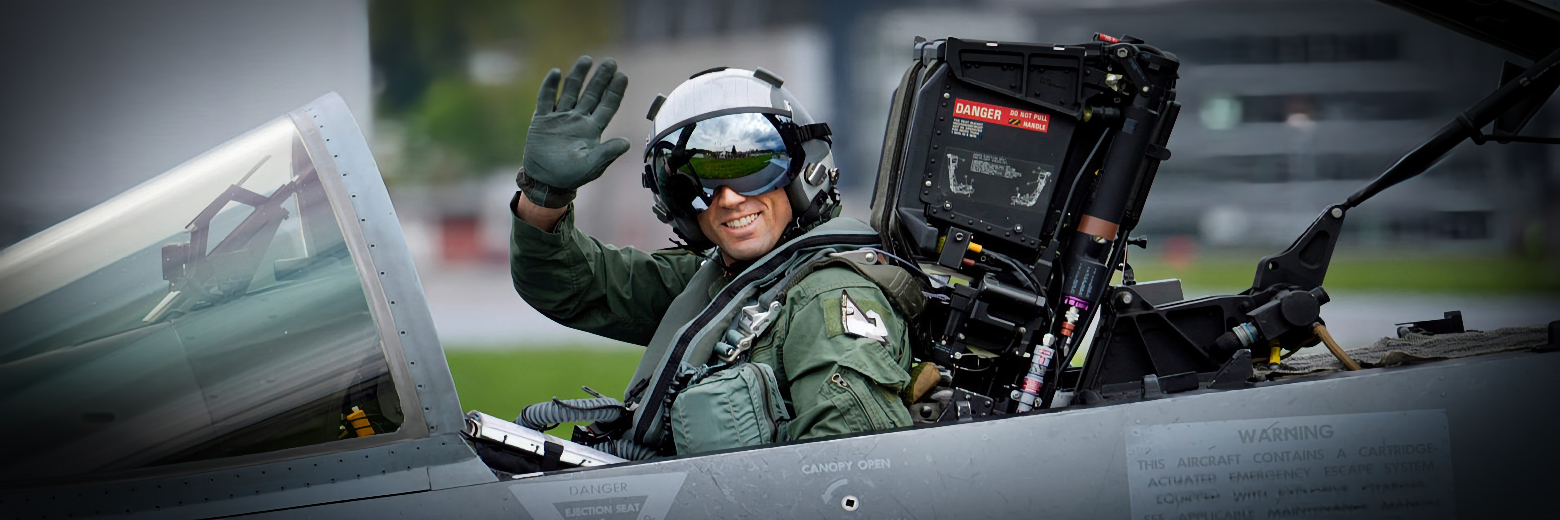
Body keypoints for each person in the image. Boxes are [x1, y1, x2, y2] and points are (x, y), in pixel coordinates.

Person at [509, 56, 917, 456]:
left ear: (803, 171)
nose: (730, 200)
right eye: (699, 184)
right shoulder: (722, 282)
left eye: (753, 170)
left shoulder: (828, 297)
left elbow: (855, 469)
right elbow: (568, 284)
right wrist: (544, 195)